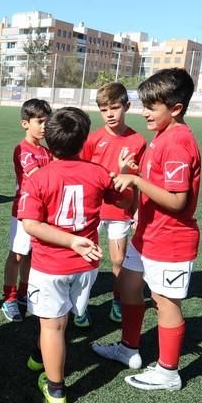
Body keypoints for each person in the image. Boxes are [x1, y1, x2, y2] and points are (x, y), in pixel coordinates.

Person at [92, 68, 202, 392]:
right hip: (147, 234)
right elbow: (160, 183)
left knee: (165, 303)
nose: (145, 113)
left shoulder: (179, 142)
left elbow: (179, 200)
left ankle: (168, 372)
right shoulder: (162, 136)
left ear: (176, 108)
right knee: (127, 285)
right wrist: (137, 172)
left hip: (170, 240)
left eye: (152, 107)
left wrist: (137, 180)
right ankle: (129, 349)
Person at [19, 107, 132, 403]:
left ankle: (55, 388)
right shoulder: (97, 173)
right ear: (83, 141)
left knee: (53, 326)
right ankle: (39, 357)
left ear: (49, 137)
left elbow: (31, 224)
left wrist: (70, 240)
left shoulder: (39, 178)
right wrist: (123, 174)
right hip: (86, 266)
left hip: (51, 266)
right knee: (61, 318)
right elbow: (122, 200)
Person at [75, 82, 146, 328]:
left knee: (118, 260)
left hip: (120, 211)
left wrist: (136, 209)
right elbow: (82, 173)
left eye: (115, 108)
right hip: (93, 210)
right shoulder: (93, 139)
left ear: (127, 106)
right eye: (104, 110)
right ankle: (79, 307)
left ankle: (117, 301)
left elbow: (138, 181)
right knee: (86, 260)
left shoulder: (138, 141)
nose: (110, 114)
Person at [1, 99, 52, 323]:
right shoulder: (22, 150)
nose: (44, 127)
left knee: (32, 254)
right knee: (17, 254)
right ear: (25, 123)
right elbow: (39, 177)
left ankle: (23, 293)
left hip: (42, 213)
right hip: (23, 212)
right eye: (39, 122)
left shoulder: (47, 151)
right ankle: (9, 298)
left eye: (47, 122)